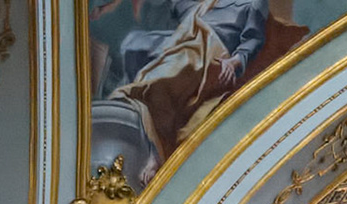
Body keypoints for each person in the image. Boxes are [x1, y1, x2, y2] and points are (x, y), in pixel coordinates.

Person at [109, 0, 272, 179]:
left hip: (209, 48)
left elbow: (253, 39)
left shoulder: (253, 3)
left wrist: (234, 62)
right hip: (187, 38)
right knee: (133, 44)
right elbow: (181, 8)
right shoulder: (209, 3)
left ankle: (156, 151)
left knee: (158, 77)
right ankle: (133, 113)